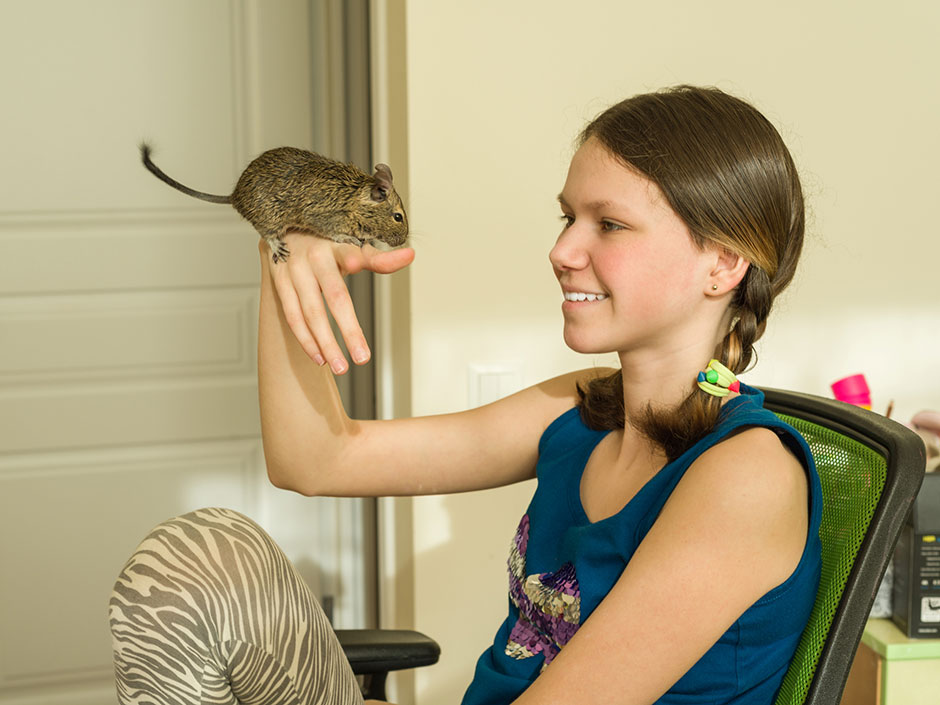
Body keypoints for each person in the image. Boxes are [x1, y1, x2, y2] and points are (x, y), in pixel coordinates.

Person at [110, 85, 821, 705]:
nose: (562, 250)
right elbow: (314, 460)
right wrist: (288, 259)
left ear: (723, 262)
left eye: (607, 223)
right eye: (565, 217)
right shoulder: (581, 409)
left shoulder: (746, 476)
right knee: (199, 558)